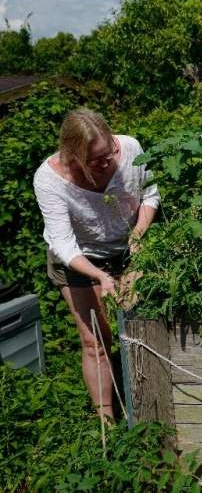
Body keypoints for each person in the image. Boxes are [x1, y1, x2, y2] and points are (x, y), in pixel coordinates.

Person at [33, 108, 160, 421]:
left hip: (130, 248)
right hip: (79, 259)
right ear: (72, 155)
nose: (107, 163)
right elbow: (63, 244)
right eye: (96, 160)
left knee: (140, 325)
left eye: (109, 153)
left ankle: (149, 414)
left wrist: (139, 236)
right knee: (95, 341)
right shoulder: (49, 180)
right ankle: (107, 427)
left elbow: (151, 195)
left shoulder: (130, 148)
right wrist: (100, 276)